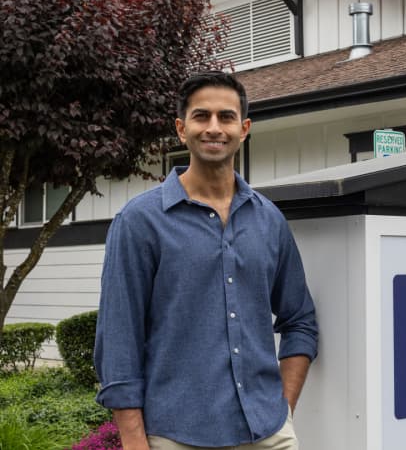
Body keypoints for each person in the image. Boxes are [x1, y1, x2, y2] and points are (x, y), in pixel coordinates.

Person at [94, 71, 318, 450]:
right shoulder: (140, 221)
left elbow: (300, 322)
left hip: (268, 432)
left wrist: (284, 409)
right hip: (177, 435)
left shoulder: (269, 219)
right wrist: (134, 441)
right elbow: (118, 340)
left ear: (244, 128)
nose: (214, 127)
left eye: (226, 117)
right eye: (202, 116)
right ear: (182, 129)